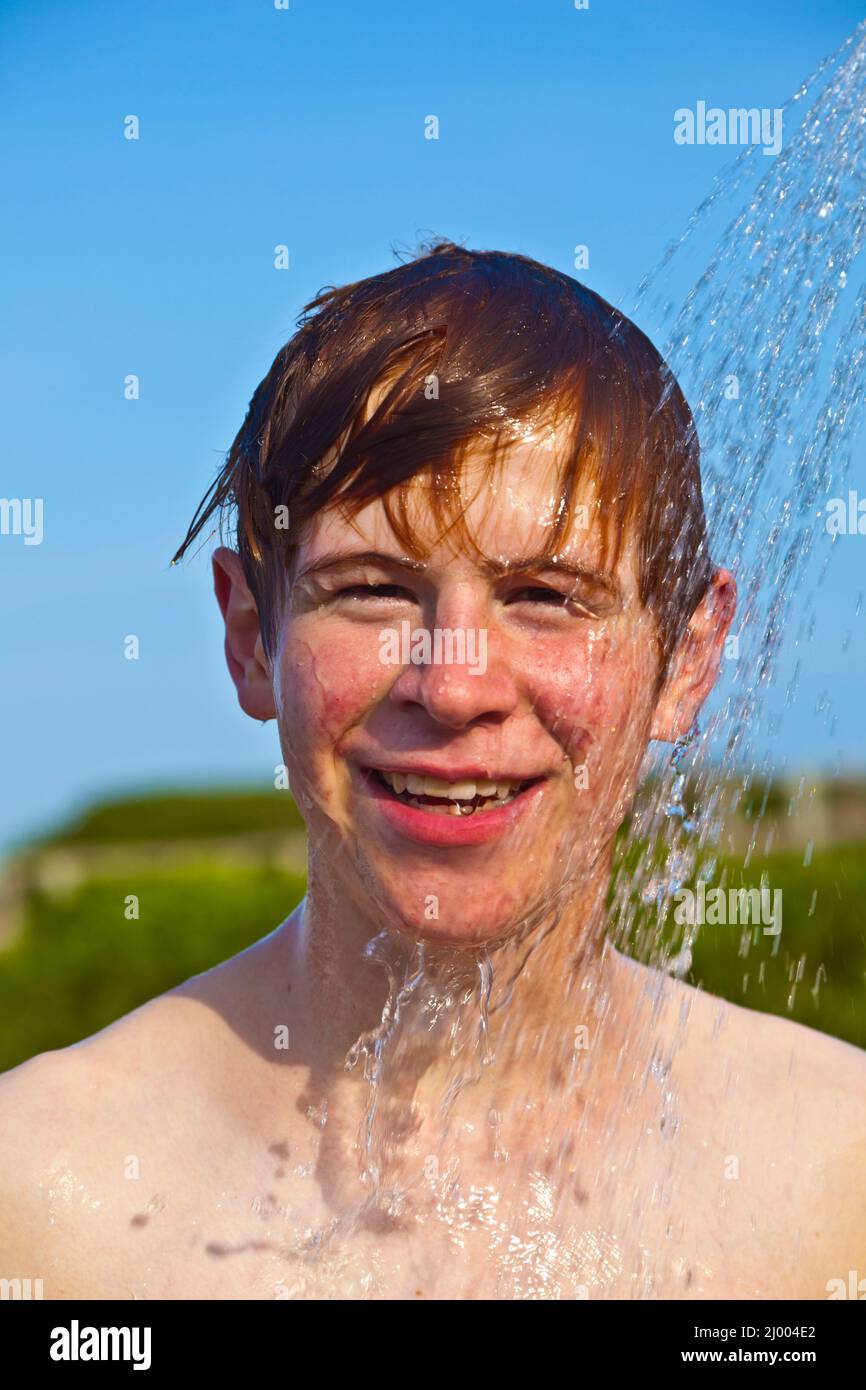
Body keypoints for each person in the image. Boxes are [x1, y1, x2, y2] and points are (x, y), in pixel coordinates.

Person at [2, 241, 864, 1300]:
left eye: (546, 596)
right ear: (245, 635)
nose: (453, 687)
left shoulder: (835, 1181)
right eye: (370, 589)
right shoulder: (43, 1197)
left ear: (685, 658)